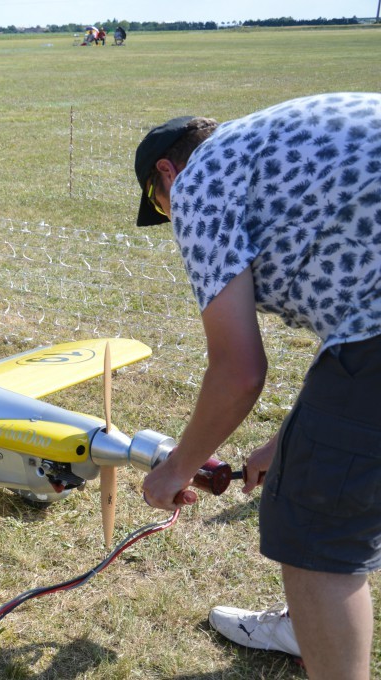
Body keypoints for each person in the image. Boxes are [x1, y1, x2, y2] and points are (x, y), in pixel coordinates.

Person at [135, 93, 381, 680]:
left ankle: (315, 627)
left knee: (316, 529)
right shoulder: (272, 145)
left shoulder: (202, 180)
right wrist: (289, 441)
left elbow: (238, 369)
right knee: (322, 477)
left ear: (167, 173)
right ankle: (313, 627)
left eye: (158, 205)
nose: (172, 217)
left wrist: (174, 470)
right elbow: (356, 299)